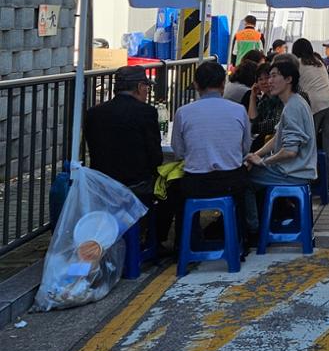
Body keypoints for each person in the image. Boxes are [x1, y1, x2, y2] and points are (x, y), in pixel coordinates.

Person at [84, 65, 174, 245]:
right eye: (147, 87)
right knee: (172, 189)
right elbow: (155, 157)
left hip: (102, 184)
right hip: (136, 185)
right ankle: (154, 241)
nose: (148, 91)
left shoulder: (94, 113)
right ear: (140, 87)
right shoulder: (146, 112)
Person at [171, 60, 253, 244]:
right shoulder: (239, 110)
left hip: (196, 182)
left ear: (196, 85)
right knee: (241, 192)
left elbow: (179, 151)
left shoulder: (183, 112)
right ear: (223, 84)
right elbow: (245, 148)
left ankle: (185, 244)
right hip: (231, 181)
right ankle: (239, 241)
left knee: (177, 192)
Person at [245, 55, 318, 233]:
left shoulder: (293, 106)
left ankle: (254, 230)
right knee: (248, 171)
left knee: (242, 181)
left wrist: (263, 162)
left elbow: (290, 152)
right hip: (294, 168)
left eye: (274, 76)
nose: (269, 81)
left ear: (288, 79)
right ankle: (262, 224)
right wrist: (257, 155)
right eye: (268, 76)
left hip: (294, 172)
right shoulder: (293, 102)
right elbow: (278, 137)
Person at [291, 38, 329, 199]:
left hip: (313, 106)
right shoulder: (319, 62)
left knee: (307, 146)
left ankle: (307, 184)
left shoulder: (296, 64)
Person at [242, 61, 283, 153]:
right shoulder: (264, 100)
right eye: (260, 79)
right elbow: (252, 121)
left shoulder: (280, 98)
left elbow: (274, 125)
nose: (264, 82)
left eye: (267, 78)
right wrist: (252, 97)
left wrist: (256, 127)